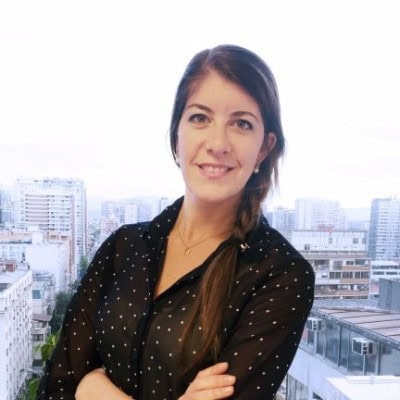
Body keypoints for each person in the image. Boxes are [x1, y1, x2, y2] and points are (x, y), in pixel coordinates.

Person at [36, 44, 315, 400]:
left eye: (241, 124)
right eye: (200, 118)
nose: (218, 143)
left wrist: (93, 389)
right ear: (176, 135)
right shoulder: (123, 247)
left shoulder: (280, 275)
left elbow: (77, 384)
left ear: (264, 147)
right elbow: (57, 385)